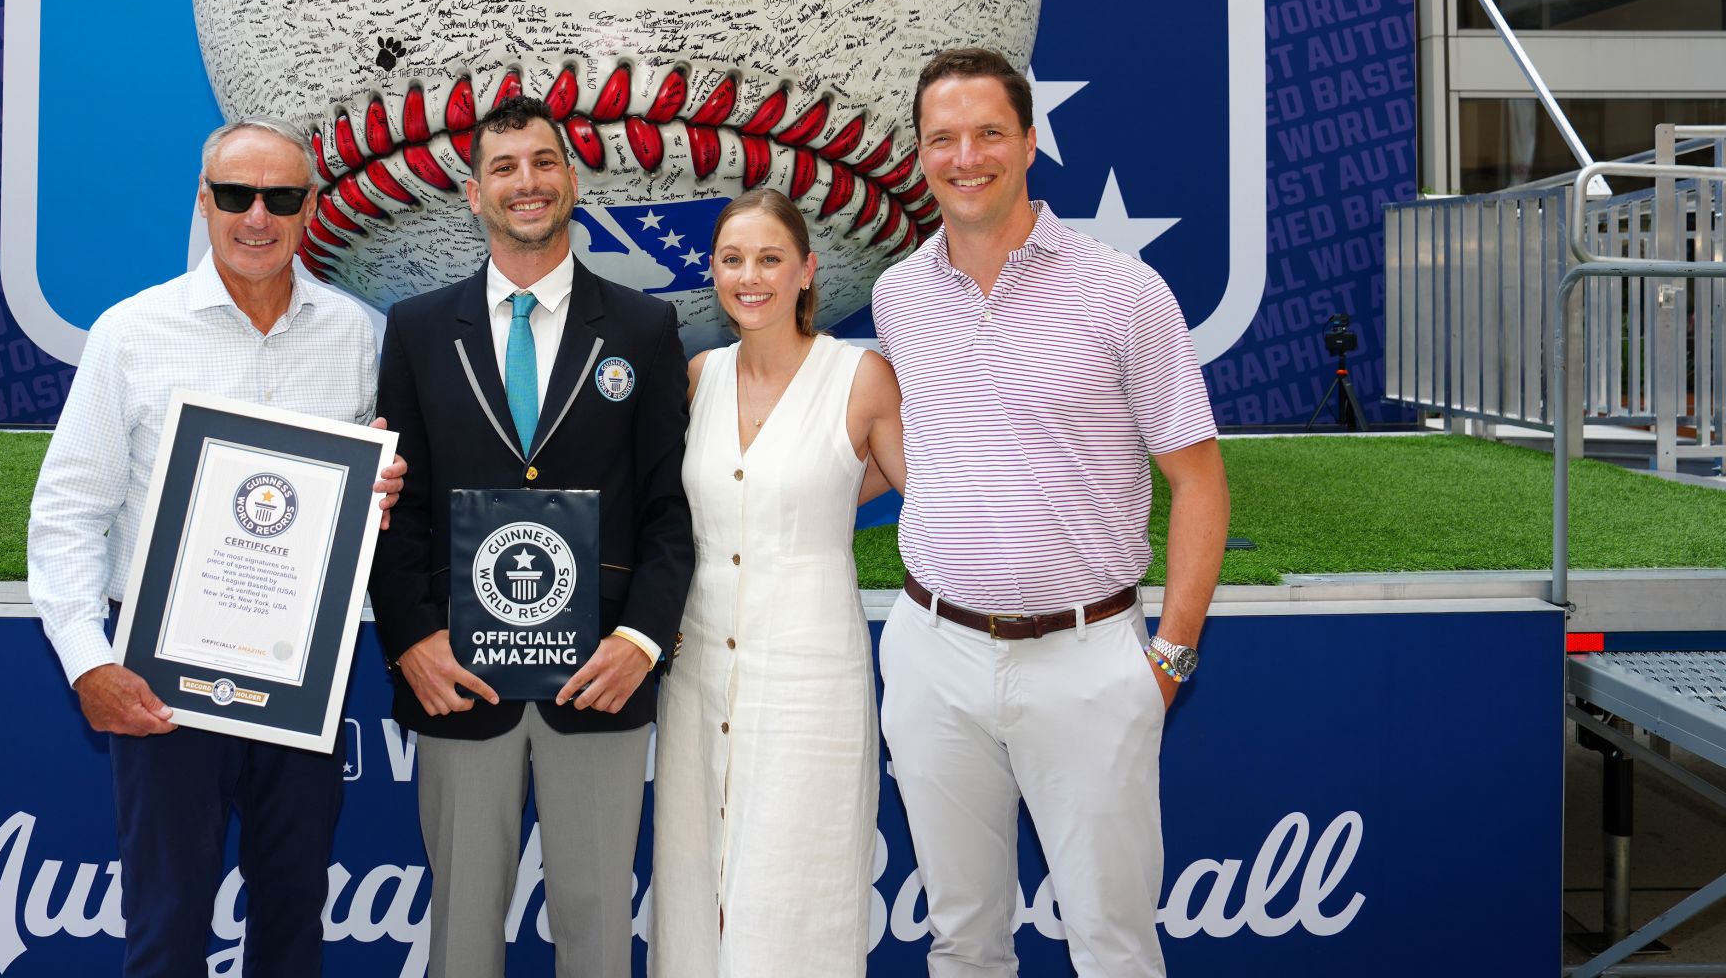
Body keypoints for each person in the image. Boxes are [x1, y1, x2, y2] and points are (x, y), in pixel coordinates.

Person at [873, 48, 1230, 978]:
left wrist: (1167, 662)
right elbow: (921, 451)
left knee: (1111, 946)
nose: (966, 157)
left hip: (1089, 660)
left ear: (1030, 142)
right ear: (919, 156)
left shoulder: (1124, 290)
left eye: (989, 132)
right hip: (932, 654)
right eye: (943, 138)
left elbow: (1200, 484)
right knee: (963, 941)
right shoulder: (898, 296)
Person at [27, 118, 405, 978]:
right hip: (159, 672)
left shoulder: (357, 336)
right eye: (236, 195)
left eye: (282, 197)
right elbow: (68, 510)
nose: (257, 216)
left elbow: (370, 502)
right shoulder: (131, 332)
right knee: (166, 923)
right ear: (204, 202)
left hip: (301, 670)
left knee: (292, 910)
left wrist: (385, 490)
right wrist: (90, 662)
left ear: (312, 207)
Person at [370, 94, 693, 978]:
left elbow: (672, 510)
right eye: (505, 167)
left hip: (597, 678)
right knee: (463, 938)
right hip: (459, 681)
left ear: (573, 180)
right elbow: (393, 507)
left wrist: (640, 643)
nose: (528, 182)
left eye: (544, 163)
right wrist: (411, 641)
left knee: (596, 935)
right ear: (473, 194)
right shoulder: (419, 328)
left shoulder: (641, 327)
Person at [648, 187, 904, 978]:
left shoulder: (860, 376)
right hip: (697, 676)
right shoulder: (698, 376)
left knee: (799, 890)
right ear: (713, 273)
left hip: (812, 678)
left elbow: (931, 500)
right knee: (693, 888)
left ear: (806, 271)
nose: (749, 276)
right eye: (732, 260)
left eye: (769, 259)